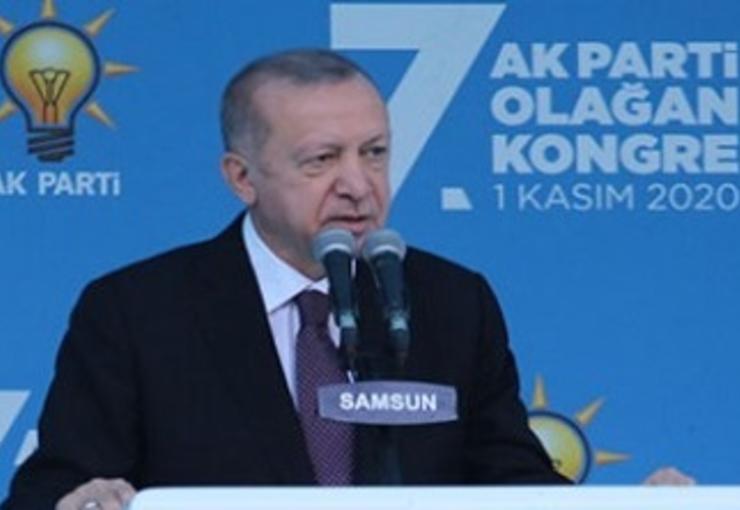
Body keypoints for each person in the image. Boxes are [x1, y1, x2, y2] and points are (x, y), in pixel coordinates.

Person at [1, 49, 690, 510]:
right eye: (322, 160)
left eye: (375, 152)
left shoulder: (451, 302)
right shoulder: (139, 312)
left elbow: (509, 484)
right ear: (241, 178)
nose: (359, 185)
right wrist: (81, 502)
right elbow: (53, 486)